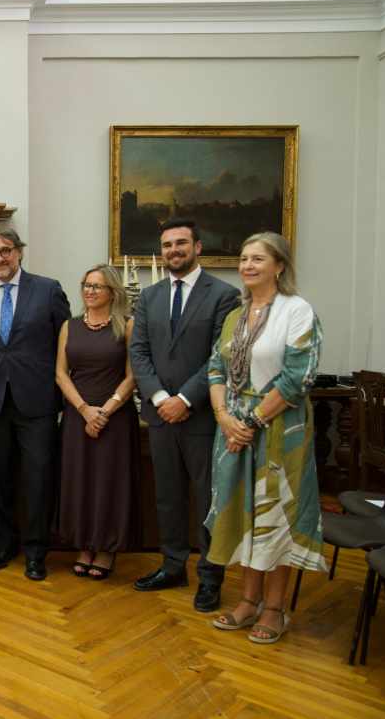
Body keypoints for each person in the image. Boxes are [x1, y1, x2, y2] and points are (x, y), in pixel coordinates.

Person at [206, 232, 325, 644]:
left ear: (280, 266)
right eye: (243, 258)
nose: (248, 265)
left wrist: (250, 423)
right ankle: (247, 600)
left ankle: (275, 609)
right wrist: (224, 417)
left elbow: (298, 378)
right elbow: (215, 370)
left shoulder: (297, 311)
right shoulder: (235, 315)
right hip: (233, 430)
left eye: (258, 258)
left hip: (277, 433)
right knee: (242, 513)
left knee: (275, 516)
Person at [130, 218, 240, 613]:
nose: (173, 250)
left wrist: (185, 399)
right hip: (160, 416)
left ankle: (211, 577)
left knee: (207, 498)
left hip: (201, 418)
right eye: (167, 245)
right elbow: (138, 352)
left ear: (197, 246)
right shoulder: (150, 296)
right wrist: (160, 397)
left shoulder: (225, 296)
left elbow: (220, 355)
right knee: (168, 497)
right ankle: (173, 565)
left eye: (180, 243)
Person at [0, 228, 69, 581]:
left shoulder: (48, 290)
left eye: (5, 251)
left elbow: (64, 346)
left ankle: (37, 552)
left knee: (38, 479)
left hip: (36, 401)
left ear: (19, 252)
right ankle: (3, 544)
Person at [55, 265, 140, 580]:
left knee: (109, 482)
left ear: (112, 292)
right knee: (81, 481)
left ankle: (106, 548)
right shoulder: (69, 326)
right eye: (86, 285)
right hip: (78, 416)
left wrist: (104, 411)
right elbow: (61, 373)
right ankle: (84, 545)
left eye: (97, 287)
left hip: (114, 418)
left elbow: (133, 375)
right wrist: (83, 409)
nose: (90, 291)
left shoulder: (127, 326)